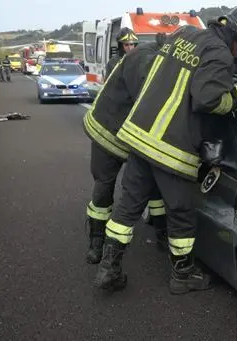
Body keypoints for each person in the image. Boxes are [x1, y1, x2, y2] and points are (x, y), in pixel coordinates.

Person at [93, 4, 237, 294]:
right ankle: (182, 275)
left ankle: (108, 268)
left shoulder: (184, 34)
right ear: (235, 38)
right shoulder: (220, 54)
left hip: (139, 137)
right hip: (171, 148)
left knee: (128, 206)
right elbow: (207, 99)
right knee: (182, 211)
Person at [82, 37, 168, 264]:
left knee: (109, 185)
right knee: (118, 185)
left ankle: (96, 244)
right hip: (114, 131)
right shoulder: (146, 59)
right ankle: (99, 243)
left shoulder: (144, 54)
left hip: (114, 127)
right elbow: (148, 96)